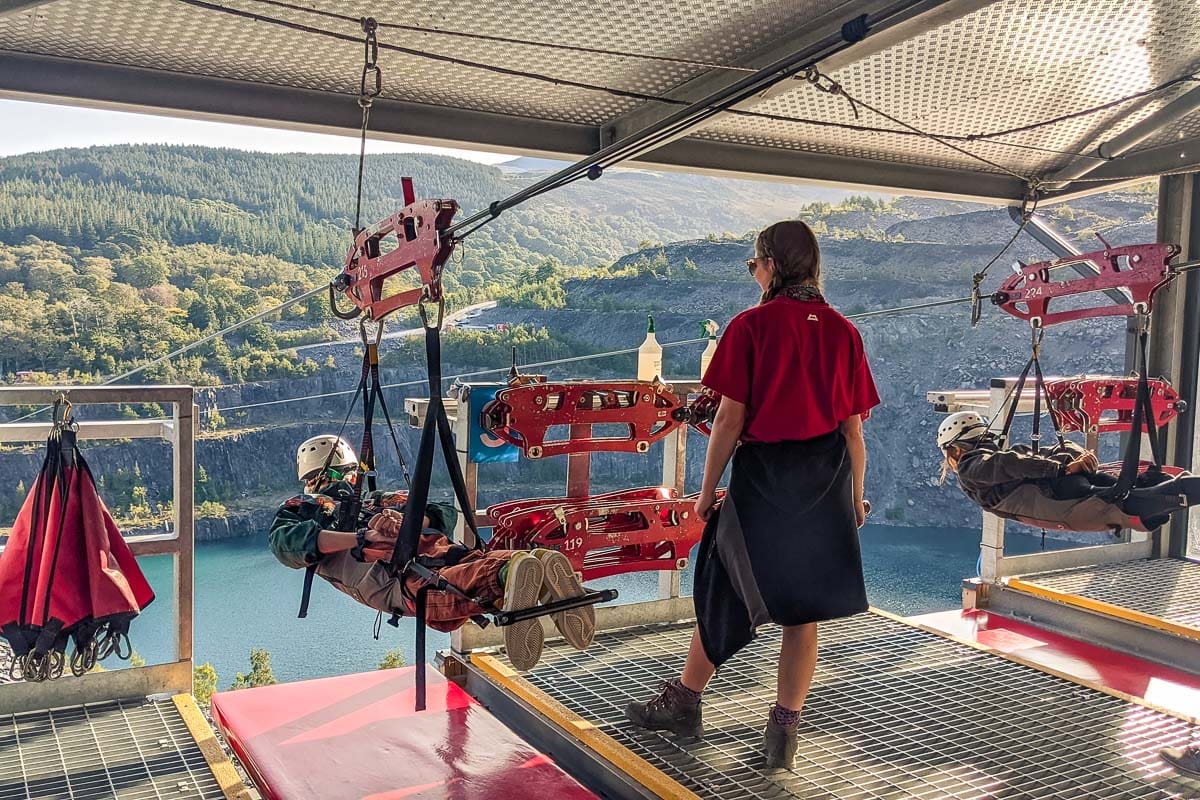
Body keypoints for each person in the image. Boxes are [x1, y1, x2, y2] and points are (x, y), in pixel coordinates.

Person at [625, 220, 880, 771]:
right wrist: (858, 497)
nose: (754, 273)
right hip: (827, 480)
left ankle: (685, 703)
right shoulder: (844, 332)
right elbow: (853, 428)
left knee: (720, 586)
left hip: (765, 477)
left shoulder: (752, 326)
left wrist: (705, 492)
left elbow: (729, 420)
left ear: (772, 264)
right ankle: (782, 737)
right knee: (802, 610)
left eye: (754, 264)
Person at [269, 434, 595, 670]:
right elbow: (289, 543)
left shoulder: (349, 503)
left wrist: (398, 524)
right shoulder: (342, 505)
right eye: (344, 475)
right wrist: (372, 532)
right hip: (419, 564)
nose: (347, 482)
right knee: (465, 575)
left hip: (417, 568)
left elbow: (441, 512)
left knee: (458, 582)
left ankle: (518, 574)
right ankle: (523, 570)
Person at [937, 411, 1200, 531]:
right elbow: (1015, 461)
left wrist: (1064, 467)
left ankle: (1168, 488)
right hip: (1069, 491)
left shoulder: (969, 468)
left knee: (1139, 499)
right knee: (1146, 493)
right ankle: (1162, 486)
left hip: (1064, 499)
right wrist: (1068, 464)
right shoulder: (997, 459)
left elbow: (1007, 463)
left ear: (955, 450)